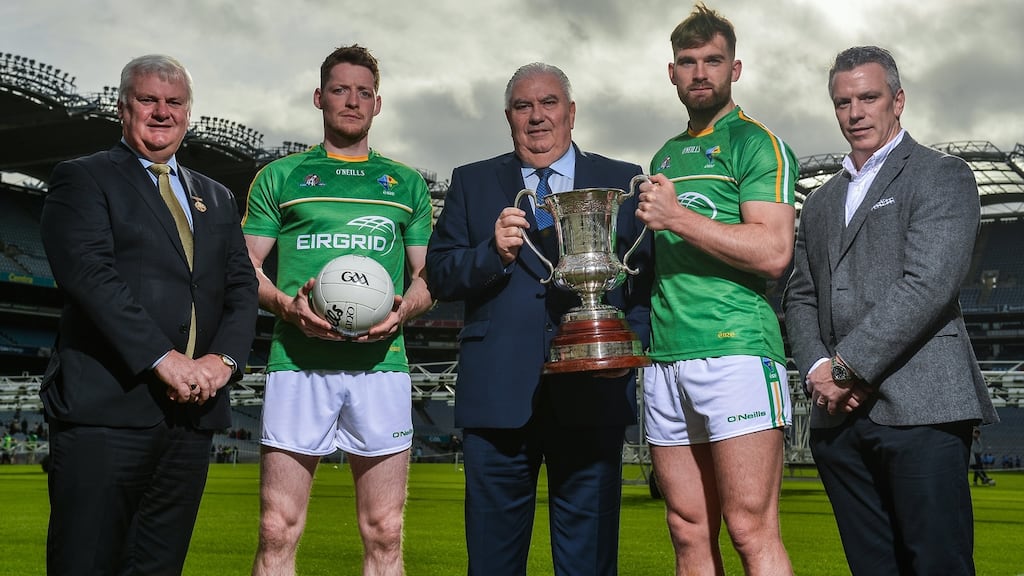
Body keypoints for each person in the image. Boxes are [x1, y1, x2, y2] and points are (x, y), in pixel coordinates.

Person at [426, 62, 650, 575]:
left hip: (593, 391)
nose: (537, 117)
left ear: (571, 113)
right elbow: (439, 275)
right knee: (493, 562)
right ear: (508, 117)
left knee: (588, 563)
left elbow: (643, 283)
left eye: (549, 103)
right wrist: (489, 255)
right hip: (498, 397)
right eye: (523, 106)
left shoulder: (620, 179)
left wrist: (624, 350)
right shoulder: (473, 181)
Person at [783, 45, 1000, 575]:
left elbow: (929, 284)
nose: (855, 113)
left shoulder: (941, 175)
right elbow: (801, 294)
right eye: (842, 102)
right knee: (870, 566)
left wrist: (844, 367)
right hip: (839, 419)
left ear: (897, 101)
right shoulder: (819, 201)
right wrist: (817, 370)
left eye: (868, 98)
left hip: (923, 406)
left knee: (938, 564)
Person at [39, 54, 258, 575]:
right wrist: (163, 359)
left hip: (191, 418)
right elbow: (89, 277)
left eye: (174, 102)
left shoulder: (218, 196)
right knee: (85, 562)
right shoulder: (82, 178)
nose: (162, 112)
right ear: (123, 108)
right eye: (148, 100)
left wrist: (221, 362)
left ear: (189, 113)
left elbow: (242, 288)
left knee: (160, 565)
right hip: (107, 409)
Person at [243, 44, 434, 576]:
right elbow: (245, 267)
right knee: (277, 528)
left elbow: (428, 278)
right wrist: (286, 306)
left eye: (364, 92)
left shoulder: (406, 183)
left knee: (385, 531)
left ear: (378, 104)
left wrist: (403, 312)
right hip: (297, 365)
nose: (352, 101)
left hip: (381, 369)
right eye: (340, 89)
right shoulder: (279, 177)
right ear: (318, 97)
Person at [633, 4, 798, 574]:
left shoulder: (756, 144)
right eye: (688, 62)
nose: (700, 72)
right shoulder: (665, 156)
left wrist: (678, 218)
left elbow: (774, 251)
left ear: (735, 68)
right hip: (665, 359)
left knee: (750, 528)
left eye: (713, 61)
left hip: (736, 354)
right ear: (672, 73)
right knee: (686, 530)